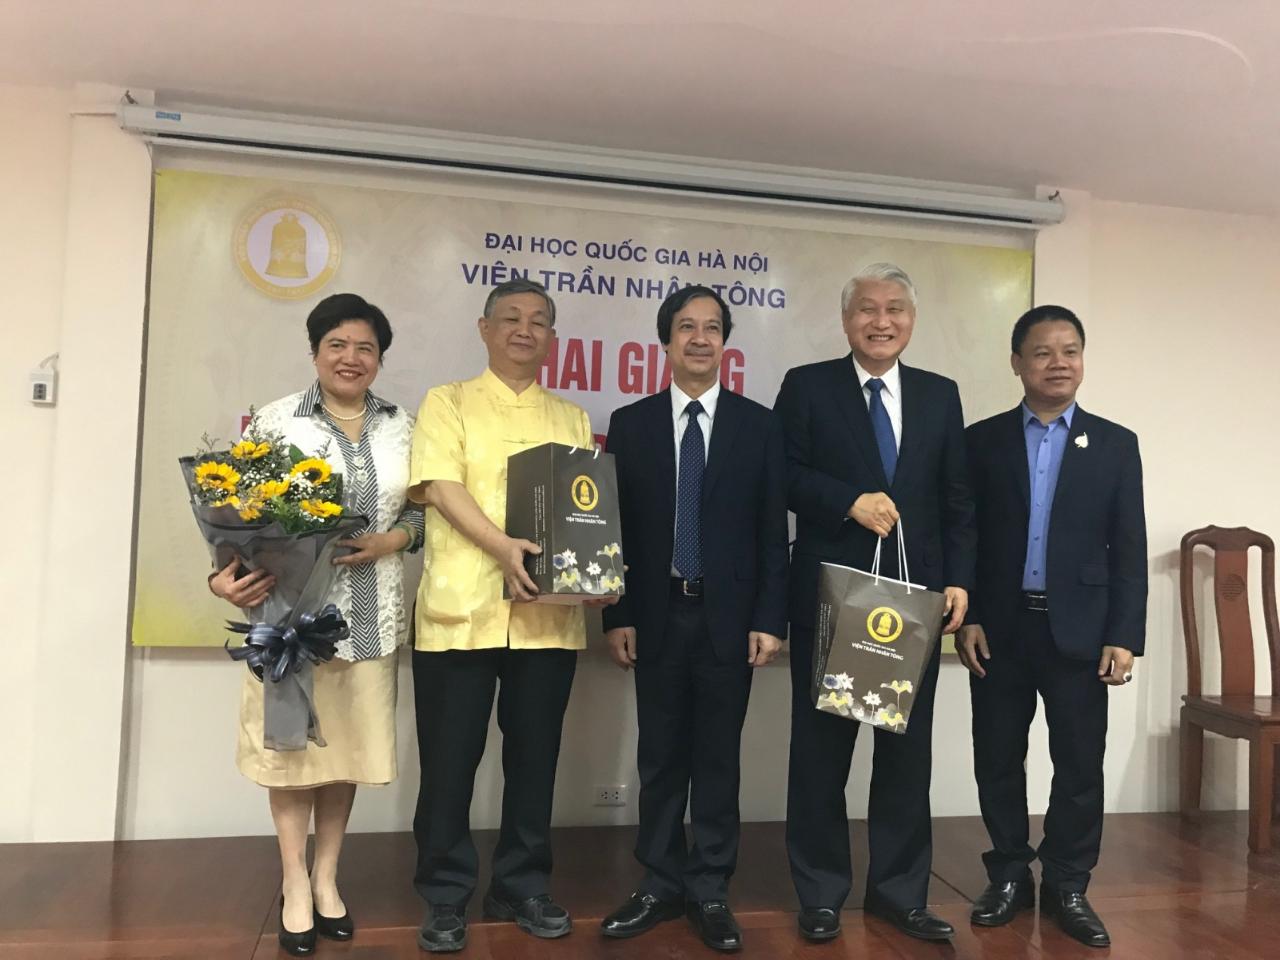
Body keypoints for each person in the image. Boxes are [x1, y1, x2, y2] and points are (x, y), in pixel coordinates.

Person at [209, 293, 423, 957]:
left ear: (380, 359)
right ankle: (293, 883)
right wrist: (221, 575)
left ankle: (328, 879)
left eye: (365, 348)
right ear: (314, 352)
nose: (351, 358)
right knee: (292, 757)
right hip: (290, 621)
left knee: (345, 758)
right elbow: (229, 518)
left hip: (370, 619)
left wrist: (395, 542)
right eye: (337, 344)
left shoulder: (403, 427)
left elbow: (425, 514)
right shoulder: (274, 421)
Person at [773, 262, 975, 943]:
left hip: (913, 605)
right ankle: (822, 894)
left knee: (904, 759)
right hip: (832, 599)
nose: (880, 320)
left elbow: (956, 501)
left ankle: (898, 894)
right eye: (867, 308)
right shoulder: (807, 387)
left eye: (894, 309)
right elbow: (783, 477)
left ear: (911, 322)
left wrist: (957, 579)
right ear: (846, 318)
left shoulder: (940, 396)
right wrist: (846, 501)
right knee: (820, 758)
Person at [408, 278, 606, 953]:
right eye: (512, 318)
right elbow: (439, 486)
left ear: (553, 338)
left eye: (540, 321)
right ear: (485, 328)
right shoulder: (447, 401)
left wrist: (596, 574)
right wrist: (501, 545)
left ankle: (521, 884)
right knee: (449, 763)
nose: (526, 329)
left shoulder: (571, 417)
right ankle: (443, 894)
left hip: (547, 619)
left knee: (535, 761)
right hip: (460, 612)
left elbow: (583, 511)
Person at [598, 286, 788, 952]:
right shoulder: (632, 423)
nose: (701, 338)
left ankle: (709, 888)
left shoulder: (759, 425)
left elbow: (772, 530)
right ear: (667, 341)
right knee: (659, 757)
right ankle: (657, 883)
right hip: (654, 616)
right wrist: (617, 614)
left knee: (717, 759)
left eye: (713, 327)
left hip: (729, 619)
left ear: (725, 342)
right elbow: (615, 528)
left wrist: (770, 617)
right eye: (687, 327)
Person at [957, 305, 1146, 948]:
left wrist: (1125, 634)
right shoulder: (980, 440)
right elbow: (969, 536)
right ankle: (1009, 872)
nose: (1059, 362)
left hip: (1082, 635)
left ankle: (1068, 883)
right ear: (1017, 363)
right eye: (1043, 352)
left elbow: (1129, 545)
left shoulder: (1116, 444)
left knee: (1078, 765)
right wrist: (971, 614)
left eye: (1071, 350)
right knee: (998, 758)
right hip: (1000, 631)